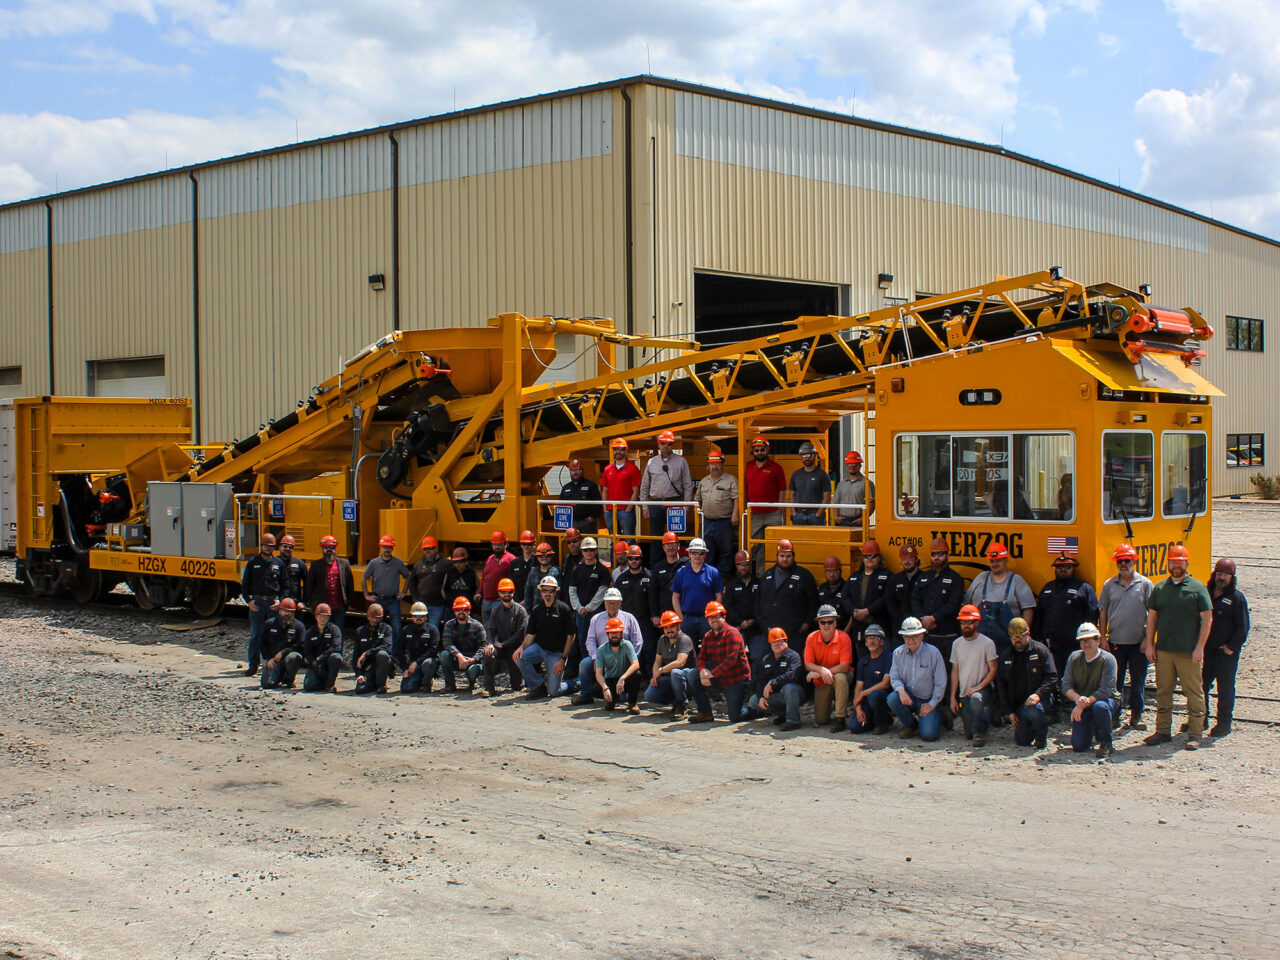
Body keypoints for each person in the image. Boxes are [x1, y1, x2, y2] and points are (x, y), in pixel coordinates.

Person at [1142, 544, 1212, 750]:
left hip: (1188, 652)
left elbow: (1207, 620)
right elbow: (1152, 617)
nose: (1176, 566)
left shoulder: (1197, 588)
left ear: (1187, 563)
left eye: (1180, 562)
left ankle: (1195, 734)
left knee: (1193, 693)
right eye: (1173, 562)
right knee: (1163, 691)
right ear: (1168, 564)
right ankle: (1163, 731)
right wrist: (1150, 644)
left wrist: (1200, 647)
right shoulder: (1160, 588)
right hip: (1164, 650)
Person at [1097, 543, 1154, 729]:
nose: (1123, 564)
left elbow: (1153, 614)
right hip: (1116, 642)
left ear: (1134, 562)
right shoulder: (1109, 585)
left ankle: (1137, 714)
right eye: (1120, 561)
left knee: (1138, 680)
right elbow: (1103, 611)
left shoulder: (1145, 584)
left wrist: (1148, 639)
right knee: (1115, 682)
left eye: (1127, 560)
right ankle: (1115, 714)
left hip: (1139, 643)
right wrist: (1103, 638)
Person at [572, 588, 643, 704]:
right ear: (604, 603)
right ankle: (586, 695)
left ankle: (623, 697)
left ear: (620, 603)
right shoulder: (596, 619)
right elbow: (590, 640)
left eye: (615, 602)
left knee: (622, 698)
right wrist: (595, 658)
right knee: (585, 664)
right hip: (602, 657)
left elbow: (638, 641)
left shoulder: (629, 618)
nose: (612, 605)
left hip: (623, 659)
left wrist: (631, 659)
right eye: (609, 602)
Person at [994, 617, 1057, 750]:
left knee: (1033, 710)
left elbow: (1052, 677)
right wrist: (1009, 711)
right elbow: (1001, 686)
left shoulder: (1041, 651)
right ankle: (1029, 727)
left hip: (1040, 700)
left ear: (1028, 634)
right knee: (1022, 741)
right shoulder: (1006, 656)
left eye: (1020, 636)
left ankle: (1041, 736)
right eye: (1013, 637)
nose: (1017, 640)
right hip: (1019, 705)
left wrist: (1038, 694)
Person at [1204, 557, 1249, 737]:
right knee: (1201, 686)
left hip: (1225, 652)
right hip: (1206, 650)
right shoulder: (1206, 593)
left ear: (1232, 577)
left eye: (1225, 575)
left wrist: (1232, 647)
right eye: (1219, 574)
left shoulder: (1237, 598)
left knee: (1225, 688)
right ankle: (1200, 719)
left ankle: (1224, 723)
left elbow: (1243, 627)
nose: (1221, 578)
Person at [1035, 552, 1099, 678]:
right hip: (1051, 647)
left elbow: (1092, 616)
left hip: (1075, 647)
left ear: (1073, 568)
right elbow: (1038, 616)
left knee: (1075, 680)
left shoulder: (1084, 588)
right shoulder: (1047, 588)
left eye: (1067, 567)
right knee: (1053, 678)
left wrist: (1086, 641)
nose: (1063, 570)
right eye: (1059, 567)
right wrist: (1038, 639)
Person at [964, 544, 1035, 656]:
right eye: (992, 561)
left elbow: (1028, 609)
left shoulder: (1016, 581)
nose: (994, 564)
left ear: (1006, 560)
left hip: (1008, 646)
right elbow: (966, 606)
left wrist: (1023, 635)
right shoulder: (981, 578)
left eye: (998, 561)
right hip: (979, 645)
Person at [1062, 622, 1121, 758]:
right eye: (1082, 641)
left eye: (1089, 640)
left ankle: (1106, 743)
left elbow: (1105, 690)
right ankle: (1094, 726)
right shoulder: (1074, 658)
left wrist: (1082, 705)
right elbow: (1066, 685)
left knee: (1100, 707)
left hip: (1105, 701)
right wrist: (1078, 699)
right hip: (1084, 702)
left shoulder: (1108, 659)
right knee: (1079, 746)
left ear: (1098, 641)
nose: (1086, 644)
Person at [515, 576, 577, 699]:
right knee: (519, 657)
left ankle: (577, 683)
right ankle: (538, 687)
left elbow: (571, 636)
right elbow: (530, 634)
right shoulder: (537, 610)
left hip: (557, 654)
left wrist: (563, 659)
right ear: (541, 592)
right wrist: (521, 648)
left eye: (551, 591)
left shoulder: (564, 609)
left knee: (554, 692)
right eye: (545, 590)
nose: (547, 594)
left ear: (555, 592)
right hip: (540, 649)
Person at [689, 601, 751, 724]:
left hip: (735, 679)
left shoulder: (732, 633)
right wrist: (702, 671)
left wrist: (711, 674)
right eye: (710, 617)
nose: (714, 620)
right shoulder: (708, 636)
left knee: (735, 717)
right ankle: (705, 713)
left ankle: (759, 709)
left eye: (716, 616)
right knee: (693, 675)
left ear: (724, 617)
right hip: (719, 676)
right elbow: (701, 658)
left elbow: (731, 659)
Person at [887, 617, 947, 741]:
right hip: (909, 697)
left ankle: (941, 717)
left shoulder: (933, 653)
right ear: (903, 637)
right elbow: (895, 677)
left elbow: (941, 682)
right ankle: (911, 725)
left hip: (927, 699)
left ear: (922, 635)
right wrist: (901, 692)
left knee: (929, 736)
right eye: (907, 637)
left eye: (915, 636)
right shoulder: (897, 653)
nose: (911, 640)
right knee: (892, 698)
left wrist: (932, 704)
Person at [948, 604, 999, 746]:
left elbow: (993, 670)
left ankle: (979, 734)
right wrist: (953, 697)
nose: (966, 625)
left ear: (977, 623)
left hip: (983, 690)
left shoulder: (987, 643)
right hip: (964, 693)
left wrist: (978, 687)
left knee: (976, 700)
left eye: (970, 622)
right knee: (968, 734)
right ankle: (987, 716)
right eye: (963, 622)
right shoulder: (956, 644)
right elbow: (955, 671)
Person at [638, 431, 693, 563]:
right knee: (656, 539)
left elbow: (688, 486)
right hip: (655, 504)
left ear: (673, 445)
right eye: (663, 443)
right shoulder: (651, 462)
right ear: (658, 444)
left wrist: (685, 508)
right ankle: (655, 567)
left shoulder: (681, 462)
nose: (666, 446)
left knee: (674, 540)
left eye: (669, 444)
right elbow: (644, 486)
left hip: (675, 504)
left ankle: (675, 566)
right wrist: (645, 506)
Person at [757, 539, 818, 657]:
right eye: (782, 556)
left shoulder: (804, 576)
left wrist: (807, 623)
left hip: (795, 634)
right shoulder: (767, 576)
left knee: (793, 663)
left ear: (793, 556)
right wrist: (764, 625)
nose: (785, 559)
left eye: (788, 556)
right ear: (777, 556)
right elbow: (757, 602)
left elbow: (813, 603)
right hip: (770, 634)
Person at [911, 537, 965, 668]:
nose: (936, 558)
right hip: (925, 635)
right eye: (934, 554)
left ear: (947, 555)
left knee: (946, 672)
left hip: (947, 636)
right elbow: (914, 600)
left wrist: (934, 618)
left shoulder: (956, 579)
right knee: (925, 671)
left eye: (940, 554)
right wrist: (923, 619)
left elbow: (953, 605)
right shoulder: (923, 577)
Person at [803, 605, 854, 731]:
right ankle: (830, 707)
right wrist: (822, 671)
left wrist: (822, 672)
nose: (827, 625)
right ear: (818, 623)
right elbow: (808, 664)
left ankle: (840, 718)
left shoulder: (844, 637)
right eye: (823, 622)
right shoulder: (811, 638)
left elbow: (845, 666)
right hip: (822, 679)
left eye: (830, 622)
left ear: (836, 622)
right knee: (821, 720)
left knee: (840, 677)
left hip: (841, 675)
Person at [240, 532, 284, 676]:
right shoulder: (253, 562)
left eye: (271, 546)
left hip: (272, 603)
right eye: (266, 546)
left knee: (274, 634)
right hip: (257, 603)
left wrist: (280, 600)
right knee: (256, 635)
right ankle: (253, 665)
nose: (268, 548)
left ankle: (273, 665)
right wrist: (249, 601)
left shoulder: (278, 563)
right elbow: (245, 585)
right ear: (261, 546)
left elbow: (285, 585)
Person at [745, 627, 806, 730]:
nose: (777, 644)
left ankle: (793, 721)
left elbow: (792, 675)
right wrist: (761, 696)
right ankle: (783, 715)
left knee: (789, 688)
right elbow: (760, 681)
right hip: (777, 696)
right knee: (754, 701)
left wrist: (773, 683)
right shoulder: (766, 660)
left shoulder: (793, 657)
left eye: (780, 641)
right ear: (770, 644)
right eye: (774, 642)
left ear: (786, 641)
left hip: (795, 694)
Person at [842, 540, 893, 655]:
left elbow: (886, 598)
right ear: (862, 558)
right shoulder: (854, 577)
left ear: (879, 558)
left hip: (881, 629)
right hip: (860, 630)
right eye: (866, 556)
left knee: (884, 661)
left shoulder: (887, 576)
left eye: (873, 556)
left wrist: (868, 611)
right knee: (863, 661)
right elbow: (844, 597)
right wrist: (854, 612)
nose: (870, 559)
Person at [478, 579, 528, 696]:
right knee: (487, 653)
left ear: (513, 592)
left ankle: (521, 680)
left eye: (509, 591)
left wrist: (504, 644)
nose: (506, 594)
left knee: (517, 686)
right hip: (500, 647)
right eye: (503, 592)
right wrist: (490, 643)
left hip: (515, 649)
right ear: (499, 593)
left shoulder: (520, 611)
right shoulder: (496, 610)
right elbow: (490, 629)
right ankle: (489, 688)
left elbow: (520, 633)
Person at [362, 534, 410, 657]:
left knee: (397, 629)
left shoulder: (398, 562)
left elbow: (407, 576)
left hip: (393, 601)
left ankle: (395, 656)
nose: (387, 549)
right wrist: (366, 595)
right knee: (378, 629)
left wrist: (404, 592)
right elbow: (364, 578)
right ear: (381, 547)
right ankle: (378, 653)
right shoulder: (374, 563)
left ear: (392, 548)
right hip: (379, 600)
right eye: (385, 547)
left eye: (389, 547)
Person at [743, 435, 786, 572]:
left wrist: (779, 510)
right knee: (755, 545)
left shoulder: (776, 468)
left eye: (762, 450)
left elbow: (782, 490)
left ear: (768, 450)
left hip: (772, 513)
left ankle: (772, 572)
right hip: (754, 514)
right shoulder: (747, 466)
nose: (759, 452)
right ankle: (757, 573)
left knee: (773, 544)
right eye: (757, 450)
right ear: (753, 451)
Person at [644, 611, 697, 719]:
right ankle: (675, 701)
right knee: (649, 695)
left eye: (672, 626)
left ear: (678, 626)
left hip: (687, 678)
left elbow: (680, 663)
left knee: (675, 672)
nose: (669, 630)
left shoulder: (684, 639)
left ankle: (682, 705)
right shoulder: (662, 640)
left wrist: (661, 670)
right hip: (669, 677)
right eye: (666, 628)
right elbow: (657, 662)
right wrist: (655, 676)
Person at [671, 538, 723, 646]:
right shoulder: (681, 573)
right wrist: (681, 617)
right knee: (687, 651)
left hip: (707, 619)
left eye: (701, 553)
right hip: (687, 619)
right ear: (689, 554)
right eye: (694, 553)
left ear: (705, 555)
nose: (697, 556)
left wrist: (713, 616)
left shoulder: (713, 572)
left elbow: (719, 596)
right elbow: (675, 596)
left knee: (710, 650)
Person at [696, 450, 739, 576]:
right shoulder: (704, 481)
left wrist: (735, 514)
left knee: (726, 552)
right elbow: (697, 500)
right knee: (707, 551)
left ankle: (724, 578)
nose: (714, 467)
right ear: (708, 465)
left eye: (717, 464)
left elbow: (736, 498)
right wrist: (699, 517)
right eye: (712, 464)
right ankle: (708, 577)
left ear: (722, 464)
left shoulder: (731, 480)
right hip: (707, 522)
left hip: (724, 522)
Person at [847, 623, 893, 734]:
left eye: (875, 638)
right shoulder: (863, 661)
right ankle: (872, 720)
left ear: (882, 641)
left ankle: (882, 723)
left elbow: (885, 684)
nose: (871, 641)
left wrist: (863, 694)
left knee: (874, 695)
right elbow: (859, 687)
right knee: (855, 727)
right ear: (865, 643)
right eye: (869, 638)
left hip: (882, 699)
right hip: (866, 701)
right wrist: (858, 708)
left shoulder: (889, 657)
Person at [568, 536, 611, 652]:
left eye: (591, 549)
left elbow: (603, 591)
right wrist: (579, 608)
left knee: (600, 640)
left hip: (597, 612)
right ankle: (585, 661)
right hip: (581, 613)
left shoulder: (602, 570)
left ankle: (598, 662)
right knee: (583, 640)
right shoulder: (577, 570)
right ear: (582, 551)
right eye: (586, 550)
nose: (589, 552)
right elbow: (572, 591)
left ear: (596, 551)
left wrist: (588, 608)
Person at [593, 617, 643, 714]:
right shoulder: (601, 650)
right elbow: (598, 673)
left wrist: (622, 678)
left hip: (624, 680)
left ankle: (632, 703)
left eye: (617, 632)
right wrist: (605, 688)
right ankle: (611, 700)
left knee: (637, 675)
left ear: (621, 633)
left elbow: (636, 664)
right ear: (607, 634)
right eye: (611, 632)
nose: (614, 635)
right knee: (595, 689)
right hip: (610, 680)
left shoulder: (627, 645)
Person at [723, 550, 764, 666]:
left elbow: (762, 604)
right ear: (736, 566)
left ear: (750, 565)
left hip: (755, 628)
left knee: (757, 658)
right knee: (734, 657)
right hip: (737, 628)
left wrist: (753, 620)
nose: (744, 568)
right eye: (741, 565)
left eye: (746, 565)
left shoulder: (759, 583)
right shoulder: (731, 585)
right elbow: (728, 606)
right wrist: (740, 622)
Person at [305, 535, 355, 630]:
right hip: (322, 609)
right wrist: (313, 605)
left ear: (335, 548)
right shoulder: (315, 565)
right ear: (323, 549)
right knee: (322, 632)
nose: (329, 550)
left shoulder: (344, 564)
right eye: (326, 547)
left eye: (331, 547)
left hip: (339, 608)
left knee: (337, 632)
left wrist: (347, 603)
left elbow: (350, 584)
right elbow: (309, 587)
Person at [440, 597, 486, 693]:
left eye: (464, 609)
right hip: (457, 659)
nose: (461, 612)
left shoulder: (478, 626)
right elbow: (447, 643)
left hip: (473, 661)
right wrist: (459, 656)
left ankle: (473, 682)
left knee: (473, 672)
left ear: (469, 611)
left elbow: (483, 646)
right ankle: (450, 685)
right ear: (454, 612)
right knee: (444, 655)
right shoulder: (449, 625)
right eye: (458, 610)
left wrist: (474, 659)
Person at [259, 597, 305, 690]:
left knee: (294, 657)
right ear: (279, 610)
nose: (288, 614)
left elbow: (301, 645)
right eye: (285, 611)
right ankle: (279, 676)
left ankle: (289, 680)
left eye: (291, 612)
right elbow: (262, 643)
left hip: (288, 658)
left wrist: (283, 652)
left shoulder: (299, 626)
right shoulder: (269, 624)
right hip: (274, 660)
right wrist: (268, 658)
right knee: (266, 684)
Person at [648, 532, 687, 638]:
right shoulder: (658, 567)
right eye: (667, 545)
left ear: (678, 546)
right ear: (663, 548)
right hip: (665, 615)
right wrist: (654, 615)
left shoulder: (687, 564)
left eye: (673, 544)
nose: (670, 548)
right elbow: (653, 593)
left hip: (684, 614)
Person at [601, 438, 641, 535]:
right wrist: (605, 509)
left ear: (626, 450)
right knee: (613, 539)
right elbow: (605, 490)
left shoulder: (633, 469)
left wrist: (629, 508)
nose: (618, 452)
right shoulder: (607, 470)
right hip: (610, 510)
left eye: (621, 449)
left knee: (629, 539)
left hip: (625, 510)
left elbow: (636, 491)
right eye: (615, 449)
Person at [399, 602, 442, 693]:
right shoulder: (406, 630)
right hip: (412, 665)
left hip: (427, 662)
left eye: (421, 616)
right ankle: (418, 681)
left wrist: (417, 662)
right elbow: (401, 650)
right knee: (406, 689)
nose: (418, 618)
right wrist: (405, 668)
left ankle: (426, 683)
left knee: (429, 663)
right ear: (412, 616)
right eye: (416, 616)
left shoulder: (432, 630)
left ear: (426, 616)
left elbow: (434, 650)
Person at [409, 535, 450, 629]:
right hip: (421, 606)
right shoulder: (418, 565)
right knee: (420, 630)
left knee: (432, 629)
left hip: (437, 605)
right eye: (425, 549)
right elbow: (412, 583)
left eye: (431, 548)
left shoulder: (445, 564)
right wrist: (415, 599)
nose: (428, 551)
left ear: (436, 548)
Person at [302, 602, 345, 692]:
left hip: (328, 661)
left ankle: (330, 684)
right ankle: (322, 681)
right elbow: (307, 651)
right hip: (316, 663)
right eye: (320, 616)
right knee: (309, 687)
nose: (323, 619)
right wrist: (313, 662)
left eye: (325, 616)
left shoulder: (334, 630)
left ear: (329, 617)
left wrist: (321, 657)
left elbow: (336, 647)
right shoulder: (310, 632)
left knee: (336, 657)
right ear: (315, 617)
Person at [353, 603, 394, 694]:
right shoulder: (360, 631)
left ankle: (381, 685)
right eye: (372, 617)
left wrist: (367, 653)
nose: (375, 620)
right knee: (360, 690)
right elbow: (356, 655)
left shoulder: (386, 629)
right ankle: (371, 682)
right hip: (368, 665)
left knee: (382, 654)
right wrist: (358, 674)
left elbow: (386, 647)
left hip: (382, 664)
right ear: (368, 616)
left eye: (378, 618)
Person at [787, 440, 831, 525]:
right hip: (799, 515)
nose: (806, 458)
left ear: (815, 455)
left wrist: (818, 514)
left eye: (809, 455)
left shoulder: (822, 474)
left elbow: (827, 497)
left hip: (816, 517)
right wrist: (794, 513)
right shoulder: (796, 474)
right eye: (804, 455)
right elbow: (792, 494)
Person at [477, 530, 514, 624]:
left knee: (499, 629)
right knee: (486, 629)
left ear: (505, 544)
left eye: (499, 544)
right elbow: (484, 578)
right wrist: (479, 592)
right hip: (486, 601)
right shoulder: (490, 559)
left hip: (499, 601)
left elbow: (515, 581)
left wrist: (506, 597)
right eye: (495, 544)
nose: (497, 547)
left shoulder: (511, 559)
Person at [886, 543, 922, 633]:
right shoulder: (894, 580)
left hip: (920, 628)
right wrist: (901, 621)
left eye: (910, 558)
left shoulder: (925, 578)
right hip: (899, 629)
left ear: (916, 560)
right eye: (904, 559)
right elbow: (890, 603)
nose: (907, 562)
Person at [559, 459, 602, 532]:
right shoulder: (565, 488)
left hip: (587, 523)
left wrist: (592, 517)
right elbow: (561, 505)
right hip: (571, 524)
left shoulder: (591, 486)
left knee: (589, 540)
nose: (575, 472)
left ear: (582, 471)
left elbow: (598, 503)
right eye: (572, 470)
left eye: (577, 470)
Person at [833, 450, 875, 525]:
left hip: (859, 522)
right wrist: (836, 517)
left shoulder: (867, 484)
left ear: (860, 466)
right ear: (846, 466)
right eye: (849, 464)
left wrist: (863, 518)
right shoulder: (841, 484)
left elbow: (871, 504)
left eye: (855, 464)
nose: (852, 466)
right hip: (843, 521)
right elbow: (836, 502)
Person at [440, 547, 478, 626]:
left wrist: (468, 603)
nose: (458, 564)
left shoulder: (471, 573)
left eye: (460, 562)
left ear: (466, 562)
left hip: (466, 608)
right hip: (451, 608)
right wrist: (452, 602)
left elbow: (475, 590)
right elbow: (444, 589)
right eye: (455, 562)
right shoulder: (449, 573)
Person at [524, 542, 561, 609]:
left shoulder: (557, 572)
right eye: (541, 556)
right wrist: (528, 612)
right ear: (537, 557)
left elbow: (560, 594)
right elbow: (528, 595)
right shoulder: (532, 573)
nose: (544, 558)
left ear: (551, 556)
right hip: (536, 610)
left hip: (553, 609)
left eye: (547, 555)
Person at [507, 530, 539, 601]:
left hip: (534, 602)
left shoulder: (538, 562)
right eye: (524, 544)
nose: (526, 546)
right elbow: (512, 584)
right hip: (518, 602)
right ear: (521, 545)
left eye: (529, 544)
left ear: (534, 544)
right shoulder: (514, 563)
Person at [277, 535, 307, 605]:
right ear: (279, 547)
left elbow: (307, 584)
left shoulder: (300, 564)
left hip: (295, 603)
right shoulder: (274, 563)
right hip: (277, 604)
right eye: (285, 546)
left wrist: (304, 602)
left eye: (290, 547)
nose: (287, 549)